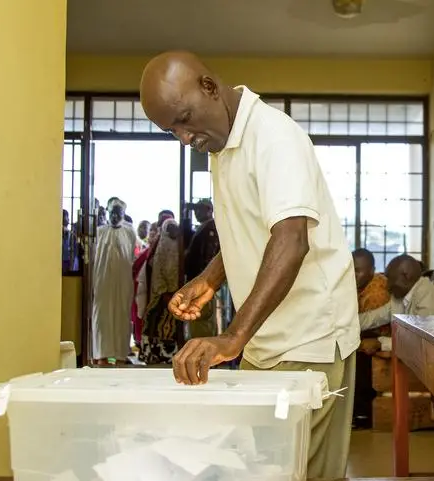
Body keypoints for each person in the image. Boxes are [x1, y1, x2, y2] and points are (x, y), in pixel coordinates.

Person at [140, 51, 360, 479]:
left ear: (209, 87)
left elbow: (290, 240)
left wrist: (231, 337)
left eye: (185, 119)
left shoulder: (274, 138)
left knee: (299, 471)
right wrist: (209, 278)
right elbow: (252, 228)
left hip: (308, 337)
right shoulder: (222, 145)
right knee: (264, 467)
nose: (185, 138)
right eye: (173, 131)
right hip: (265, 341)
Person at [92, 198, 139, 364]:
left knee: (121, 316)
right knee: (102, 317)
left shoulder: (129, 231)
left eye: (118, 213)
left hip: (122, 282)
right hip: (102, 281)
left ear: (123, 214)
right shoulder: (99, 232)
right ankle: (101, 355)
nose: (115, 216)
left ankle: (120, 354)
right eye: (112, 212)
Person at [351, 248, 390, 429]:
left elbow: (370, 324)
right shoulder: (360, 285)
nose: (354, 274)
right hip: (372, 332)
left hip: (384, 337)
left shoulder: (377, 290)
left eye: (359, 270)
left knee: (359, 352)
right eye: (351, 269)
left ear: (372, 271)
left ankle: (362, 413)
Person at [358, 254, 434, 332]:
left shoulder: (427, 293)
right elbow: (374, 318)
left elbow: (422, 339)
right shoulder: (400, 295)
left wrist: (380, 343)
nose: (387, 286)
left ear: (406, 276)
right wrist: (347, 324)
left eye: (390, 279)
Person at [137, 218, 182, 364]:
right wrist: (165, 291)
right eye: (170, 228)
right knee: (155, 323)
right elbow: (157, 271)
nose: (173, 231)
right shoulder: (161, 246)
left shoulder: (178, 246)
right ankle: (155, 355)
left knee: (168, 327)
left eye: (175, 228)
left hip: (175, 293)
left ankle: (168, 356)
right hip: (162, 294)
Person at [183, 198, 220, 339]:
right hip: (200, 279)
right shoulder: (204, 227)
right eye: (196, 209)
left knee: (201, 319)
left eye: (200, 209)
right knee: (198, 322)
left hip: (203, 280)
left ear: (209, 210)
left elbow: (207, 257)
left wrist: (204, 279)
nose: (197, 212)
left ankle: (202, 357)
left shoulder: (210, 228)